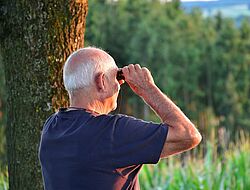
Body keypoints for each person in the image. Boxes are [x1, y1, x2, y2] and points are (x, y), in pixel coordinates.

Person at [39, 47, 202, 190]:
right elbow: (188, 135)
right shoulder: (113, 133)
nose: (119, 85)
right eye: (116, 77)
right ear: (101, 82)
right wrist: (147, 89)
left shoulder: (51, 128)